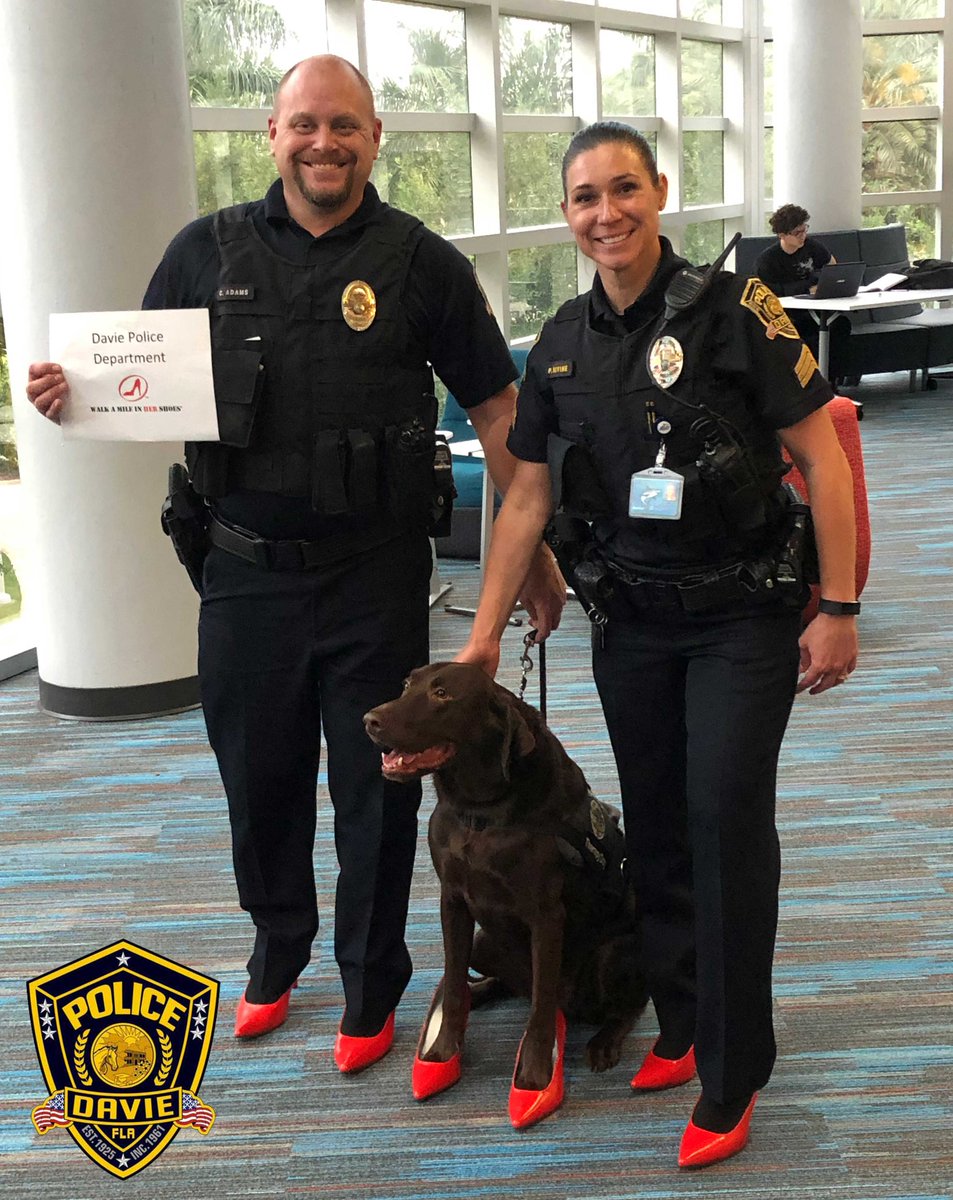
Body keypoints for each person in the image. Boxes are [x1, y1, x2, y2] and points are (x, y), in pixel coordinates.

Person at [25, 55, 564, 1069]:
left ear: (374, 139)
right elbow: (133, 381)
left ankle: (371, 983)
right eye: (305, 124)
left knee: (379, 787)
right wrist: (73, 398)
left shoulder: (421, 263)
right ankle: (277, 947)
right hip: (241, 573)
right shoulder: (204, 252)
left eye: (346, 126)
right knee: (257, 779)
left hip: (373, 574)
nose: (325, 143)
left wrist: (527, 547)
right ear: (270, 133)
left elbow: (500, 418)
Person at [457, 123, 859, 1168]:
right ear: (566, 212)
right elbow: (527, 496)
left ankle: (730, 1073)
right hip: (629, 625)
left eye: (623, 188)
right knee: (658, 831)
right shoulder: (556, 343)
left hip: (739, 622)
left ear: (659, 192)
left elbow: (821, 455)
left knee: (723, 823)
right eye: (584, 196)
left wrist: (840, 605)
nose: (606, 213)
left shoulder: (738, 313)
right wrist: (485, 634)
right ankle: (680, 1026)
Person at [754, 204, 836, 298]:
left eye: (804, 230)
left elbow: (832, 265)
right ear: (782, 235)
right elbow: (769, 293)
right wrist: (808, 290)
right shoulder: (767, 261)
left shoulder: (811, 245)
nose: (802, 236)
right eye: (796, 233)